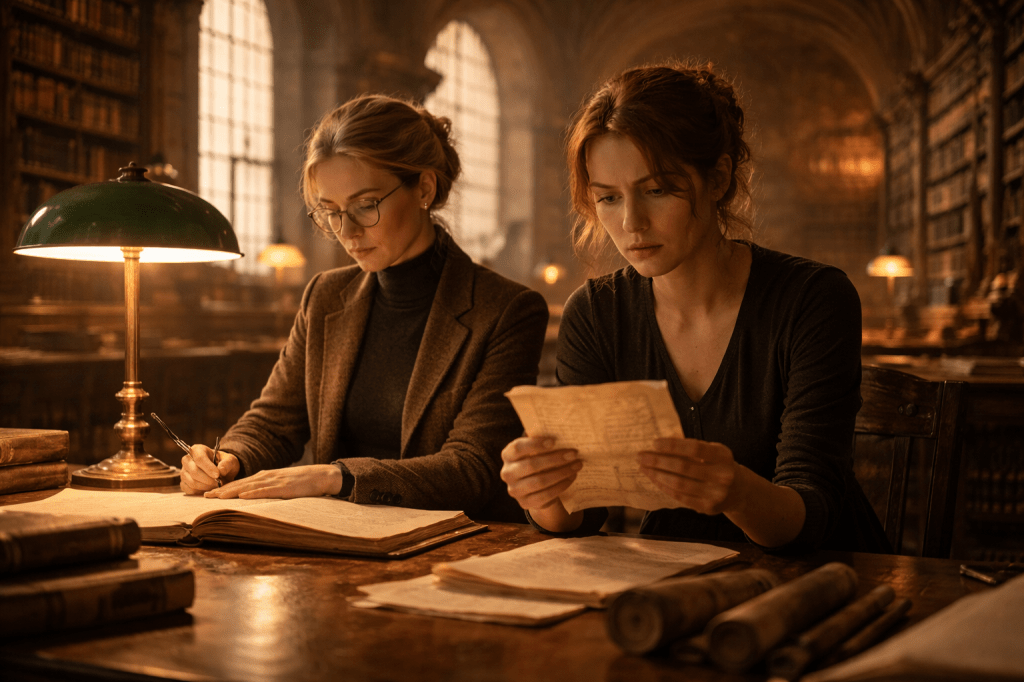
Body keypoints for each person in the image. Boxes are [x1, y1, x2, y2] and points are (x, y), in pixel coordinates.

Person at [499, 62, 890, 552]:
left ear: (720, 177)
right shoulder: (596, 314)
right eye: (608, 198)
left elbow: (812, 513)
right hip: (673, 575)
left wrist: (736, 490)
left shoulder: (813, 299)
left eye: (657, 190)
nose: (631, 223)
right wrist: (543, 494)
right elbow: (582, 514)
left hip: (823, 577)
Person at [180, 94, 548, 522]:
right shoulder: (325, 296)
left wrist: (336, 478)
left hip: (454, 546)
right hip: (342, 540)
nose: (347, 231)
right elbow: (273, 422)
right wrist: (229, 459)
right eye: (331, 211)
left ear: (424, 188)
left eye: (366, 205)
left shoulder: (506, 310)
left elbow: (473, 469)